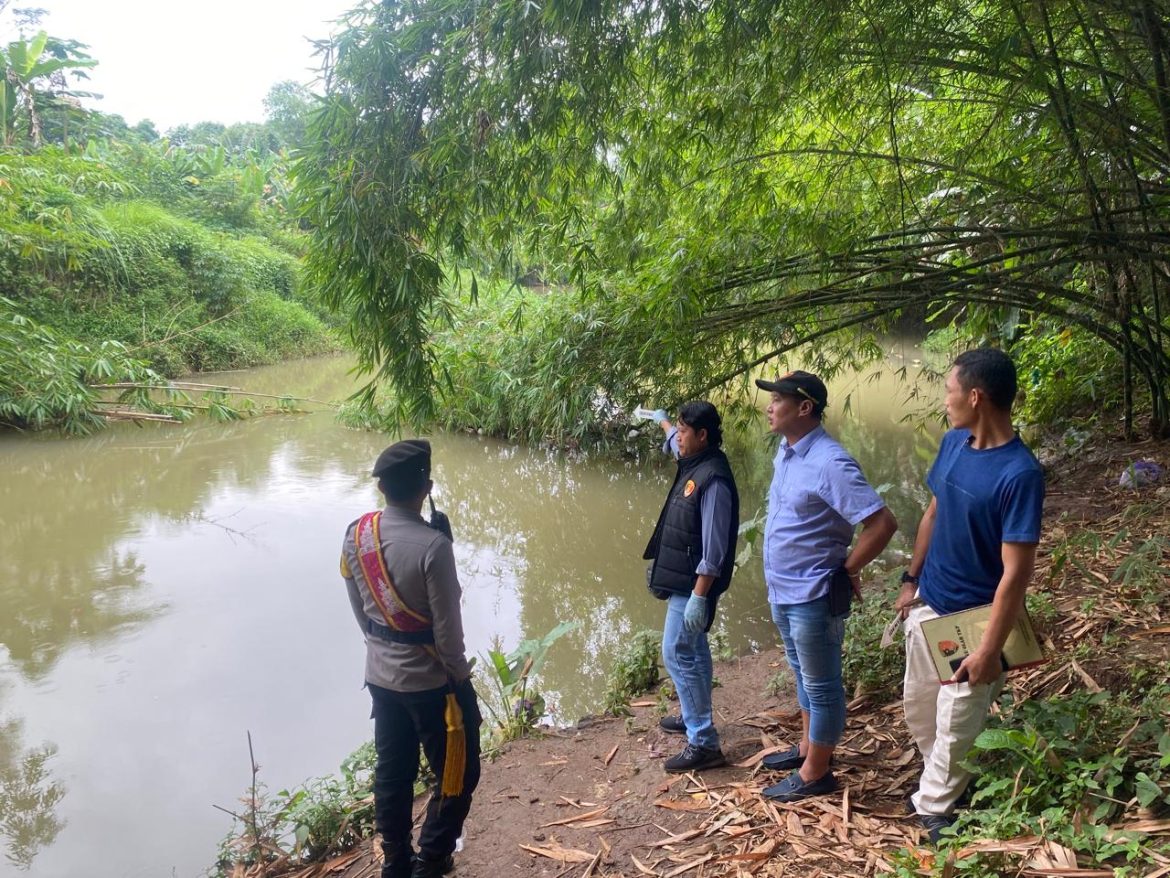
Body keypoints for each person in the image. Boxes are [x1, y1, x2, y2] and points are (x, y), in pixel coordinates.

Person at [896, 348, 1044, 842]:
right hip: (931, 605)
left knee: (958, 718)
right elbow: (934, 513)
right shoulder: (954, 444)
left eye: (949, 392)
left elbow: (1015, 575)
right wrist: (910, 580)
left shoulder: (1019, 474)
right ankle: (943, 779)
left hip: (975, 620)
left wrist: (988, 650)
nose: (945, 402)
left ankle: (935, 808)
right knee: (919, 708)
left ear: (975, 396)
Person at [339, 439, 482, 878]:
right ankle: (431, 860)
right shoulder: (432, 547)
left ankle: (396, 860)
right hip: (432, 687)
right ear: (428, 487)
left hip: (380, 678)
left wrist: (382, 645)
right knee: (459, 774)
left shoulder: (355, 534)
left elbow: (358, 606)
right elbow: (447, 631)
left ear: (381, 486)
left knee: (393, 773)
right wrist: (459, 681)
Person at [755, 370, 897, 803]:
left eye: (777, 400)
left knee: (822, 684)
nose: (768, 406)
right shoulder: (788, 451)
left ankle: (817, 772)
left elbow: (881, 523)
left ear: (804, 408)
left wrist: (846, 568)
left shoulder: (830, 461)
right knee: (802, 675)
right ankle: (805, 750)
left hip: (814, 592)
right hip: (784, 589)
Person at [643, 401, 740, 772]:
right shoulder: (694, 459)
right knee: (694, 652)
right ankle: (692, 714)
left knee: (677, 652)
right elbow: (672, 440)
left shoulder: (712, 478)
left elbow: (714, 548)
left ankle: (703, 742)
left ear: (702, 436)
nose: (677, 438)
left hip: (694, 585)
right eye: (678, 430)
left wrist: (700, 594)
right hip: (685, 580)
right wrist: (663, 421)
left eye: (684, 431)